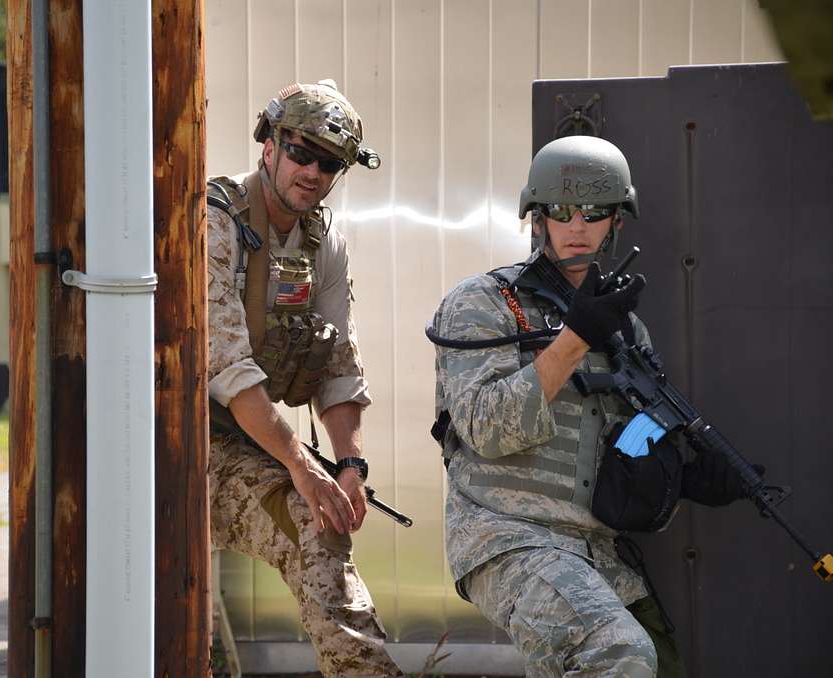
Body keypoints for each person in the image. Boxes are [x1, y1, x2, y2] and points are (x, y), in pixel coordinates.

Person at [429, 135, 751, 677]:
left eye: (595, 211)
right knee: (615, 653)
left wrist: (687, 480)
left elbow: (628, 445)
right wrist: (576, 337)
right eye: (561, 211)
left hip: (598, 550)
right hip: (508, 535)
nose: (578, 226)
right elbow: (487, 428)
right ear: (538, 218)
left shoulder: (626, 327)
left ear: (615, 222)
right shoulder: (483, 303)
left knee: (662, 665)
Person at [205, 79, 402, 677]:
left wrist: (350, 467)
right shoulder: (217, 221)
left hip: (248, 438)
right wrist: (299, 463)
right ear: (270, 144)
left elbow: (339, 364)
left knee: (323, 523)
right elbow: (227, 364)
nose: (313, 172)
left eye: (329, 163)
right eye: (301, 152)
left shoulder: (324, 240)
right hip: (172, 444)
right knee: (306, 533)